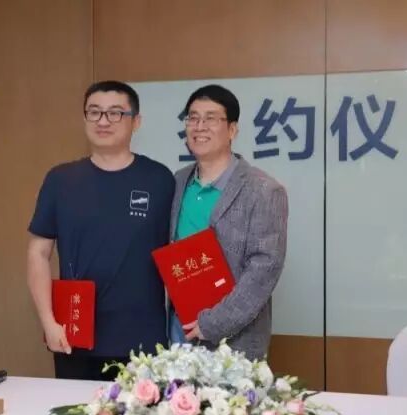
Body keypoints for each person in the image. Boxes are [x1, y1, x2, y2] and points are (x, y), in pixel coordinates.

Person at [27, 80, 173, 380]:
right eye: (94, 112)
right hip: (74, 333)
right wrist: (48, 322)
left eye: (115, 113)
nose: (103, 121)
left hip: (142, 337)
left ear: (136, 121)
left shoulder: (159, 179)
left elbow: (176, 251)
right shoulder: (61, 180)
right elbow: (38, 253)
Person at [168, 84, 288, 361]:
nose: (199, 126)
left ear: (232, 130)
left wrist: (213, 324)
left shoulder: (263, 190)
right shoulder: (177, 181)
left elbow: (264, 269)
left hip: (234, 341)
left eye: (211, 118)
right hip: (177, 330)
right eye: (193, 118)